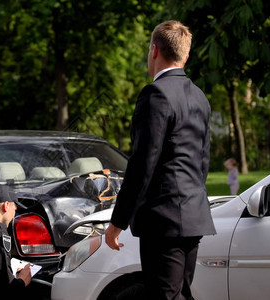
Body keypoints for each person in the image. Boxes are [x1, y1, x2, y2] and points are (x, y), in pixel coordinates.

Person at [104, 20, 216, 299]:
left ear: (154, 50)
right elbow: (203, 161)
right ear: (186, 56)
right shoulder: (200, 97)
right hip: (193, 216)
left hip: (163, 219)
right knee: (180, 293)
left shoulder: (156, 94)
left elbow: (142, 163)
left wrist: (118, 221)